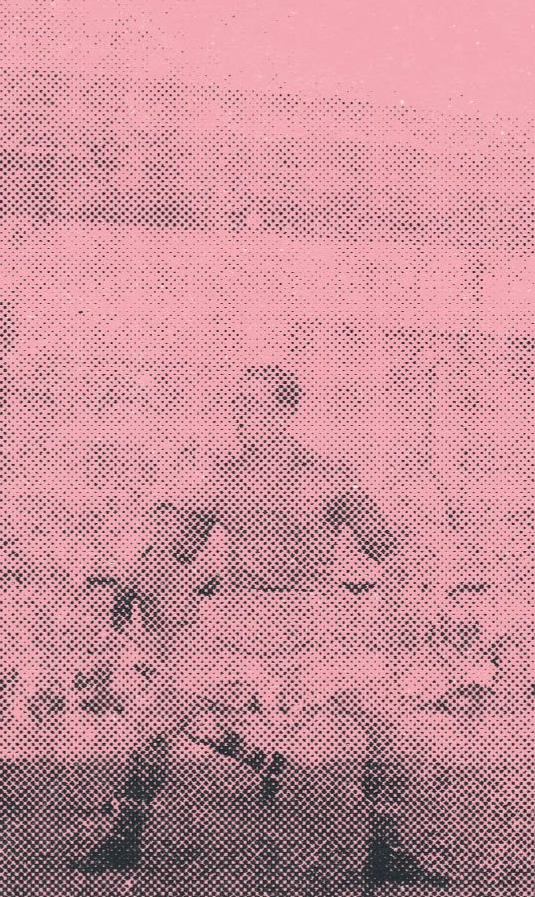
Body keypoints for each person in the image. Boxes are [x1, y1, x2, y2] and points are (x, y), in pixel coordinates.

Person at [70, 365, 450, 889]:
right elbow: (172, 548)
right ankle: (123, 833)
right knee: (162, 706)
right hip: (240, 617)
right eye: (237, 406)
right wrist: (125, 579)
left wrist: (406, 594)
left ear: (287, 411)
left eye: (255, 405)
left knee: (387, 717)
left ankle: (390, 847)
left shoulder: (331, 475)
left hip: (318, 617)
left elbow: (388, 547)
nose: (242, 417)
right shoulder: (222, 475)